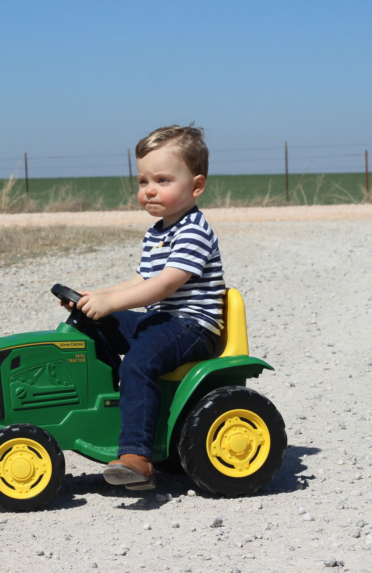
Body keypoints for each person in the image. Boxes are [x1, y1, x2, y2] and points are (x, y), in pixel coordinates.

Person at [62, 125, 226, 490]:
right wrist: (94, 298)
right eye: (143, 181)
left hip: (191, 326)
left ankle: (137, 456)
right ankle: (108, 409)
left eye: (162, 180)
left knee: (138, 362)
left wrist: (111, 302)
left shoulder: (194, 231)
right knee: (91, 324)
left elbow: (165, 284)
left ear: (196, 186)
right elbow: (140, 281)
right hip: (162, 321)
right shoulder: (157, 232)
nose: (149, 190)